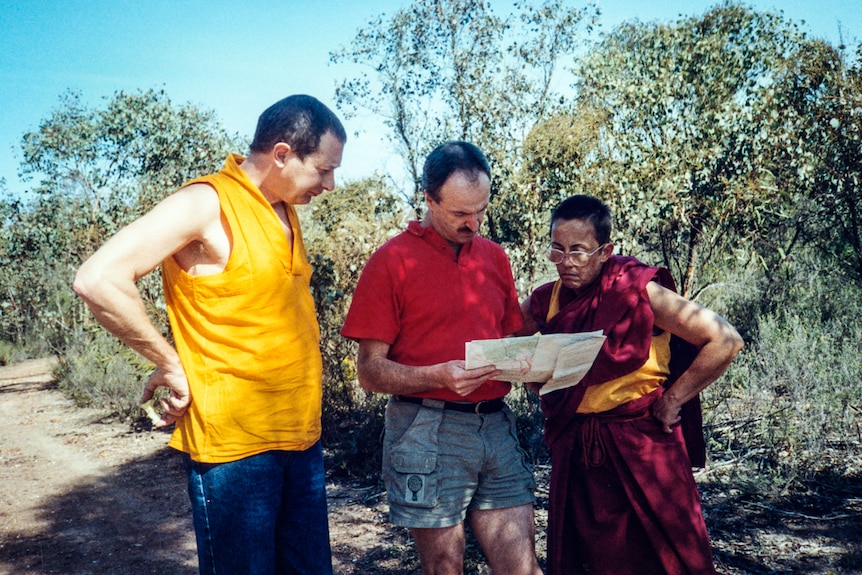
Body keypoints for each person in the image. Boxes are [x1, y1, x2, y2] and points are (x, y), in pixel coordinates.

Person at [73, 95, 346, 575]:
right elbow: (98, 279)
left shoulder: (283, 207)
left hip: (302, 440)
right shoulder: (206, 202)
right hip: (236, 452)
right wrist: (170, 362)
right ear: (282, 154)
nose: (330, 184)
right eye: (323, 170)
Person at [341, 141, 543, 575]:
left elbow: (509, 338)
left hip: (495, 424)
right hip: (426, 429)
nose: (474, 223)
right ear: (429, 199)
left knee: (523, 568)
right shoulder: (391, 261)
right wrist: (437, 375)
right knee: (444, 569)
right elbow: (370, 372)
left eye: (482, 211)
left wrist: (543, 362)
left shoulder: (494, 258)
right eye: (459, 214)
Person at [518, 194, 744, 575]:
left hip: (642, 442)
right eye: (557, 250)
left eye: (578, 251)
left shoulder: (637, 290)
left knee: (669, 558)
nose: (566, 262)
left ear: (606, 251)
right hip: (576, 448)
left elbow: (725, 340)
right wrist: (536, 380)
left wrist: (675, 400)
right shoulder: (546, 300)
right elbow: (506, 346)